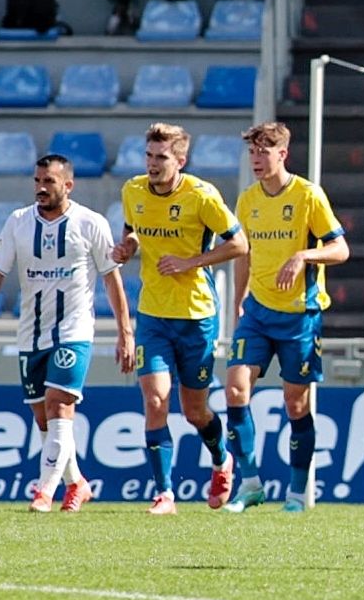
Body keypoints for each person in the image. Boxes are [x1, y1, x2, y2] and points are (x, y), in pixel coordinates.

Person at [0, 155, 134, 513]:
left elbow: (111, 278)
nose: (41, 188)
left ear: (68, 185)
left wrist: (126, 332)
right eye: (37, 181)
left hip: (74, 330)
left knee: (60, 404)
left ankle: (43, 492)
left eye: (50, 181)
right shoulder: (18, 222)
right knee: (44, 417)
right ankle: (76, 483)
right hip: (30, 333)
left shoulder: (91, 223)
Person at [110, 123, 248, 514]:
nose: (153, 165)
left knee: (194, 411)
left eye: (162, 158)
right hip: (153, 313)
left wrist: (191, 262)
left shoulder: (202, 196)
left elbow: (239, 243)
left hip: (196, 314)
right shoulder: (133, 191)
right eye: (149, 156)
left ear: (180, 161)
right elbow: (134, 229)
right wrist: (127, 248)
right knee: (155, 399)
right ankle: (165, 493)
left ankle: (222, 461)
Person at [221, 123, 349, 513]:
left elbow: (340, 249)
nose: (256, 159)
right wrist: (239, 300)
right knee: (235, 389)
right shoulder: (247, 200)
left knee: (295, 404)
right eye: (252, 152)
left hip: (300, 316)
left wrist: (303, 256)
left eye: (264, 151)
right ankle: (251, 483)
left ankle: (295, 493)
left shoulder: (308, 195)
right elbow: (244, 253)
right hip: (258, 312)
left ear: (282, 154)